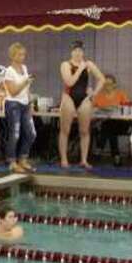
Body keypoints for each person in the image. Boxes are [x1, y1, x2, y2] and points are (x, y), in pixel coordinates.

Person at [58, 41, 105, 170]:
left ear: (83, 52)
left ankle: (83, 160)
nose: (78, 53)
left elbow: (102, 79)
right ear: (71, 52)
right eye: (75, 50)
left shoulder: (88, 64)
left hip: (84, 99)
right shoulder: (65, 65)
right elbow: (70, 82)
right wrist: (80, 68)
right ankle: (64, 159)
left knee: (84, 131)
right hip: (68, 97)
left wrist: (94, 93)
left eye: (80, 50)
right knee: (65, 130)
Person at [2, 43, 36, 173]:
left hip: (25, 104)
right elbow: (13, 91)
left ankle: (23, 159)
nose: (23, 57)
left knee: (31, 133)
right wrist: (26, 81)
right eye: (20, 54)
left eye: (24, 54)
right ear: (13, 55)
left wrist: (30, 102)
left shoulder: (24, 68)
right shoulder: (8, 71)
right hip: (13, 104)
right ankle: (11, 161)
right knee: (15, 134)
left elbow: (27, 89)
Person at [92, 73, 132, 165]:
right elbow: (93, 110)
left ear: (114, 85)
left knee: (108, 126)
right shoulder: (99, 97)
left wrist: (116, 107)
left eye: (109, 84)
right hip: (105, 124)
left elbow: (127, 107)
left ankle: (99, 148)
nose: (107, 86)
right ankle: (116, 156)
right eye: (105, 84)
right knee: (110, 129)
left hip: (121, 124)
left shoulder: (120, 94)